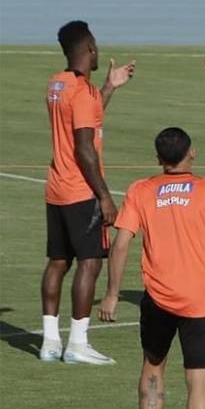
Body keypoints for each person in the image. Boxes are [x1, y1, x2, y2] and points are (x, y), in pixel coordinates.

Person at [99, 127, 205, 409]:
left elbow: (121, 244)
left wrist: (112, 293)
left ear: (158, 159)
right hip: (199, 298)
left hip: (157, 297)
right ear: (192, 153)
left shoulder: (141, 190)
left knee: (153, 366)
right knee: (198, 379)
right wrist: (202, 270)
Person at [39, 20, 136, 365]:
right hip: (81, 191)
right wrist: (105, 196)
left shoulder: (58, 84)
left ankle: (50, 342)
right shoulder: (81, 91)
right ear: (90, 48)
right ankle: (78, 343)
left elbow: (86, 120)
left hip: (56, 189)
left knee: (58, 261)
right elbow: (84, 147)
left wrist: (110, 87)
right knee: (90, 262)